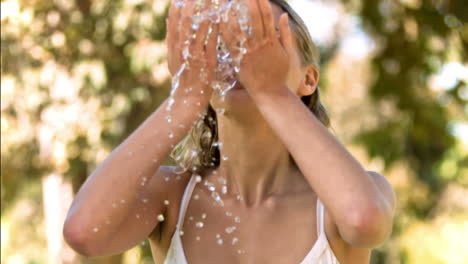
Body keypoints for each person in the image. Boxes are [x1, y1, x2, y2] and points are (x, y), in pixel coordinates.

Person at [63, 0, 397, 263]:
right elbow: (84, 233)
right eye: (226, 44)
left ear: (308, 80)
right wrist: (183, 100)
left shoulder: (342, 201)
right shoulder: (172, 196)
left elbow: (363, 221)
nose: (241, 57)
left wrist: (272, 92)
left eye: (263, 42)